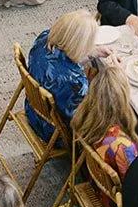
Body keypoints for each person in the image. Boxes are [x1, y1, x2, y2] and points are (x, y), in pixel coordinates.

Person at [70, 57, 138, 199]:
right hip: (112, 202)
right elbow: (137, 188)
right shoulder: (124, 147)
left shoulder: (84, 115)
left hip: (95, 182)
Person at [24, 11, 99, 141]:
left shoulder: (43, 39)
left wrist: (92, 53)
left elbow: (66, 59)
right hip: (54, 131)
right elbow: (85, 122)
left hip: (34, 110)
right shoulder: (75, 82)